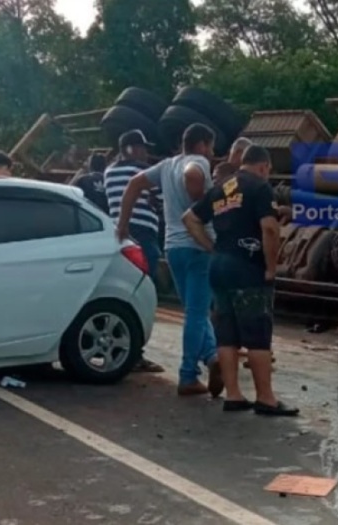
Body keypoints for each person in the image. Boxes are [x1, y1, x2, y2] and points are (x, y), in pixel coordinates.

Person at [182, 145, 299, 417]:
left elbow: (189, 219)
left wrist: (211, 247)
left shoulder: (223, 186)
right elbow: (270, 229)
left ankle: (233, 395)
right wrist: (271, 267)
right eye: (267, 171)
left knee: (227, 335)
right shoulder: (260, 187)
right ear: (263, 166)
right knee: (258, 336)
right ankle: (266, 399)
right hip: (248, 267)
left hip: (220, 266)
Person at [118, 124, 223, 398]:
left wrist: (122, 225)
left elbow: (133, 185)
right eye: (211, 147)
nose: (211, 154)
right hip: (199, 246)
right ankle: (188, 375)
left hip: (173, 248)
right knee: (197, 313)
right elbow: (193, 174)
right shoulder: (196, 162)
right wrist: (199, 198)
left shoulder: (165, 166)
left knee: (193, 309)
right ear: (201, 145)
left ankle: (213, 358)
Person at [105, 130, 164, 374]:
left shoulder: (109, 171)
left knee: (125, 294)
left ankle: (124, 348)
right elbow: (161, 199)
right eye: (142, 148)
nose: (146, 153)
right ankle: (135, 353)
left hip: (120, 236)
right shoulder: (140, 171)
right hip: (143, 235)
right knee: (143, 294)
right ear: (131, 149)